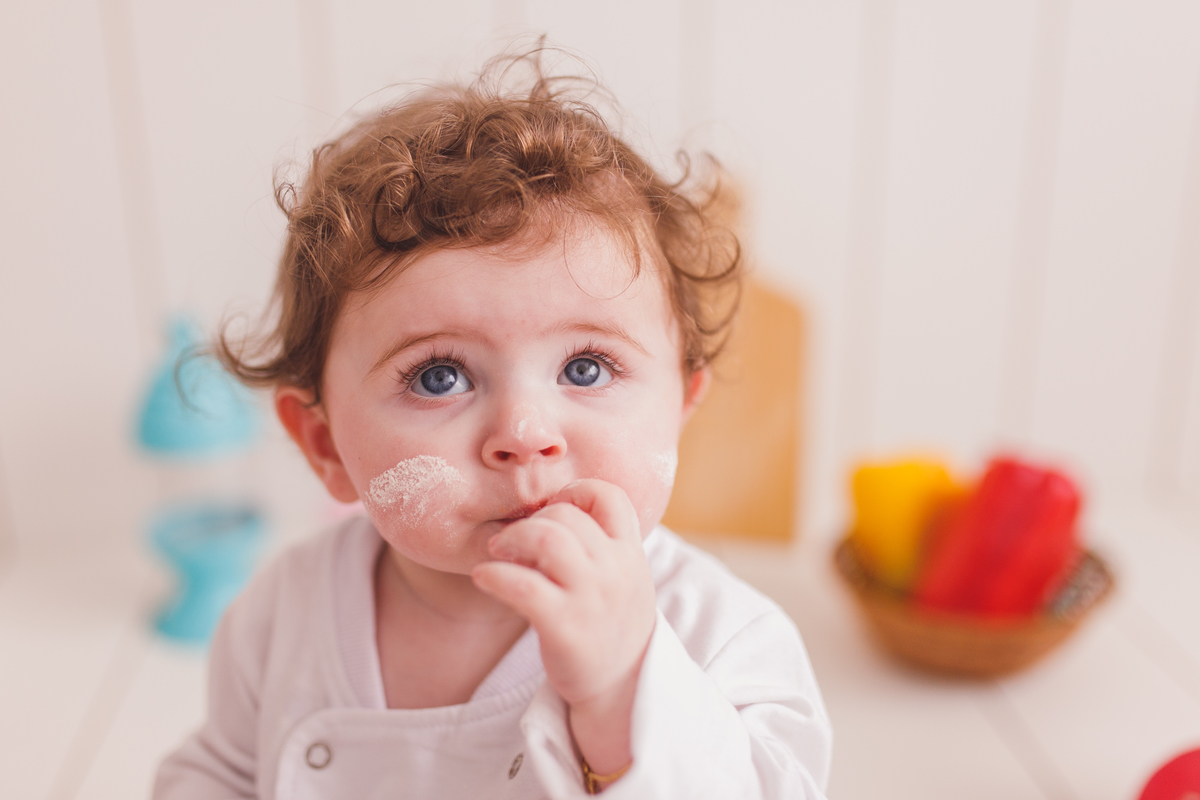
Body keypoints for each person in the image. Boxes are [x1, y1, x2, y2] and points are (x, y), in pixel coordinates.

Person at [154, 49, 832, 799]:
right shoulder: (285, 611)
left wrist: (623, 688)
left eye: (586, 368)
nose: (524, 431)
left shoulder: (723, 638)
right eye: (439, 376)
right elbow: (221, 769)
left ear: (681, 402)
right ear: (325, 444)